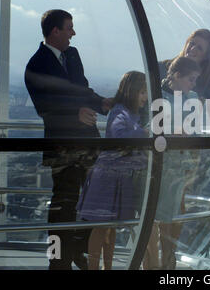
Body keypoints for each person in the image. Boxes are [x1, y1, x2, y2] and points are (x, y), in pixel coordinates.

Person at [25, 9, 112, 270]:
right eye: (69, 28)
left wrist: (102, 104)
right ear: (55, 31)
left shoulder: (72, 56)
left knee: (93, 201)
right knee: (64, 205)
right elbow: (45, 108)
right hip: (64, 149)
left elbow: (81, 90)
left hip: (87, 144)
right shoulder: (36, 65)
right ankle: (58, 262)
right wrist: (76, 115)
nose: (73, 33)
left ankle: (77, 250)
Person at [76, 71, 148, 270]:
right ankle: (93, 267)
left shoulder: (130, 113)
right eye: (142, 92)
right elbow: (119, 135)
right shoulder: (120, 111)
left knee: (111, 228)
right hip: (109, 176)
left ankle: (107, 267)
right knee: (101, 228)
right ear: (132, 91)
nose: (145, 97)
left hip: (118, 176)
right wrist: (143, 133)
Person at [143, 56, 201, 270]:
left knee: (170, 219)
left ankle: (168, 263)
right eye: (191, 79)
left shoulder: (192, 97)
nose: (193, 85)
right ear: (176, 76)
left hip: (178, 167)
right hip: (156, 165)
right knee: (151, 220)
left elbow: (195, 129)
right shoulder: (155, 95)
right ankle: (150, 264)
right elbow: (147, 127)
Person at [158, 29, 210, 100]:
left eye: (199, 48)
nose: (192, 49)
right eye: (192, 43)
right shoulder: (161, 67)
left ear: (206, 56)